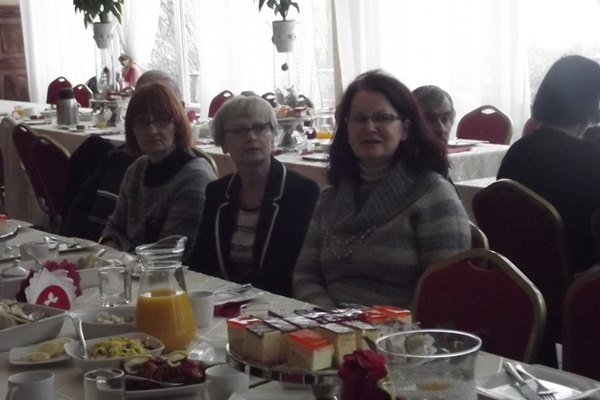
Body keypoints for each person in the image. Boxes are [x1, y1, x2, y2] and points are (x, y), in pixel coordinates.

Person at [293, 70, 470, 308]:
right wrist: (333, 319)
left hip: (401, 329)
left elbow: (446, 296)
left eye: (383, 118)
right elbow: (305, 275)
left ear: (405, 129)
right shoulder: (331, 198)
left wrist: (372, 325)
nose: (369, 127)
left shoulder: (434, 196)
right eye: (358, 119)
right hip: (326, 324)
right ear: (346, 129)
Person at [188, 95, 320, 297]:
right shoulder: (217, 192)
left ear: (273, 134)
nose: (251, 137)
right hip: (223, 301)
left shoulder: (301, 191)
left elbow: (285, 270)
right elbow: (202, 261)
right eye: (239, 131)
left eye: (260, 128)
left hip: (277, 302)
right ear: (223, 143)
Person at [497, 55, 600, 274]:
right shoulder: (591, 159)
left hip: (519, 277)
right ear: (590, 104)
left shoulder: (517, 152)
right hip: (579, 274)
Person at [61, 70, 183, 241]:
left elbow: (169, 247)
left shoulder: (187, 174)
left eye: (161, 116)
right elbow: (78, 217)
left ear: (180, 110)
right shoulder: (120, 160)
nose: (152, 130)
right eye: (142, 114)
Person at [100, 81, 216, 260]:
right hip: (130, 266)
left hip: (170, 272)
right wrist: (108, 256)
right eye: (142, 121)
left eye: (161, 120)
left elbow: (169, 254)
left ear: (177, 124)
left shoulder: (195, 178)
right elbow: (115, 227)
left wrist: (117, 261)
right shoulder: (137, 169)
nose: (152, 130)